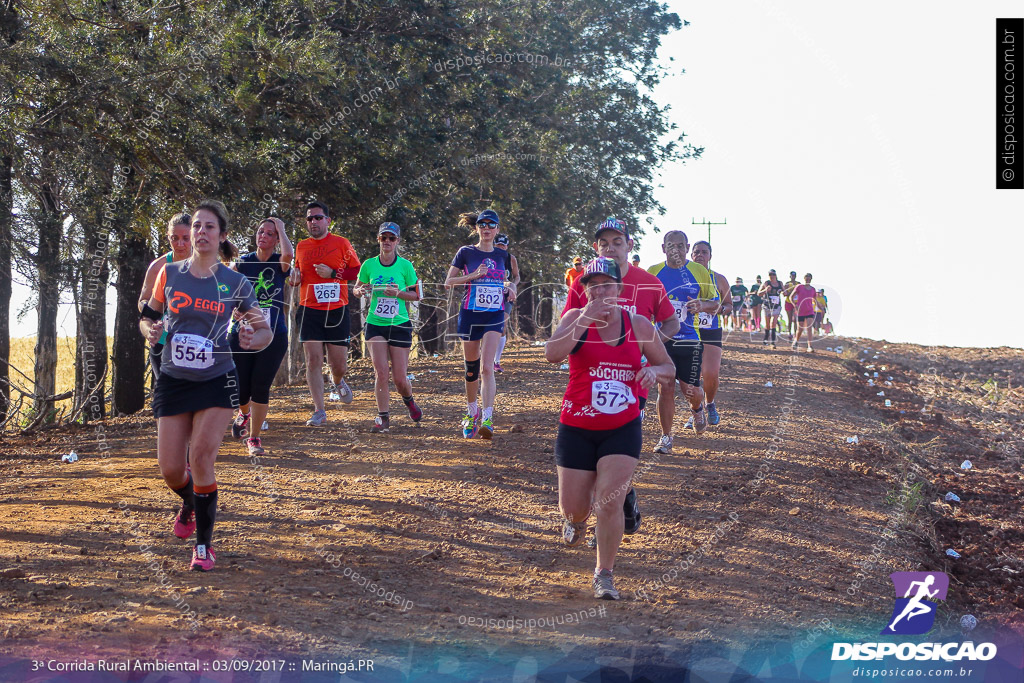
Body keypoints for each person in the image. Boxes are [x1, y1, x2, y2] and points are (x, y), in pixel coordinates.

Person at [139, 200, 272, 571]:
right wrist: (149, 330)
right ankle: (191, 502)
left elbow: (264, 330)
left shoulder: (235, 282)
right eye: (196, 226)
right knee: (170, 469)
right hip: (174, 378)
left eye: (209, 227)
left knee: (200, 457)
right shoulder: (170, 273)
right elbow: (147, 316)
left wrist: (251, 339)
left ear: (222, 235)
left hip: (217, 378)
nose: (200, 233)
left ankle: (203, 547)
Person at [546, 257, 675, 600]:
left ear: (620, 289)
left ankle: (604, 574)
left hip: (622, 426)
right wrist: (583, 320)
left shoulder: (639, 325)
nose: (600, 291)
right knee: (573, 509)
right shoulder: (575, 317)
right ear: (584, 290)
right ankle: (575, 520)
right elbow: (552, 354)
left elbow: (668, 366)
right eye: (592, 286)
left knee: (608, 502)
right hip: (576, 425)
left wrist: (653, 373)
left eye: (606, 285)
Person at [563, 217, 678, 535]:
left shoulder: (649, 283)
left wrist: (648, 349)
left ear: (630, 245)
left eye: (617, 242)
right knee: (589, 457)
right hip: (587, 379)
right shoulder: (584, 282)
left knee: (614, 445)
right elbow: (567, 326)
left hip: (631, 380)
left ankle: (611, 506)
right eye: (603, 243)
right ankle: (620, 496)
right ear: (595, 248)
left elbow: (671, 324)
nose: (610, 248)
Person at [445, 209, 516, 440]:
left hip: (494, 315)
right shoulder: (466, 252)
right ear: (477, 228)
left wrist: (511, 288)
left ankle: (487, 417)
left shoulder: (503, 255)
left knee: (487, 367)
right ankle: (471, 412)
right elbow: (449, 282)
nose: (486, 229)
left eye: (491, 225)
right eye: (482, 225)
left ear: (497, 229)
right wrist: (473, 276)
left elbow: (508, 280)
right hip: (470, 314)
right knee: (472, 370)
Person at [288, 201, 361, 426]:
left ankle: (337, 381)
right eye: (309, 218)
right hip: (309, 309)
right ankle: (320, 410)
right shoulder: (301, 247)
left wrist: (333, 273)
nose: (313, 222)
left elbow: (357, 271)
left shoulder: (341, 243)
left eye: (318, 217)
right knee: (313, 360)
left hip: (336, 309)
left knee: (339, 365)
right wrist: (295, 278)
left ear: (328, 220)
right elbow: (297, 273)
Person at [648, 230, 718, 454]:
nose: (675, 250)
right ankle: (666, 437)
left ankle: (698, 409)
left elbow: (715, 304)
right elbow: (644, 306)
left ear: (687, 248)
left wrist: (701, 305)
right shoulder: (653, 272)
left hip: (689, 339)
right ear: (663, 248)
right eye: (671, 246)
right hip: (661, 339)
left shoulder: (699, 271)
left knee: (691, 390)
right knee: (665, 387)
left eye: (680, 246)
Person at [228, 217, 293, 456]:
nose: (263, 236)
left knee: (261, 386)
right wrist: (233, 308)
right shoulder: (243, 263)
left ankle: (254, 438)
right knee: (241, 389)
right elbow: (225, 287)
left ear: (276, 240)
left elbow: (289, 256)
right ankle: (243, 413)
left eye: (269, 233)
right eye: (260, 231)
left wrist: (282, 228)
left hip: (274, 335)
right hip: (242, 333)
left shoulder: (280, 263)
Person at [354, 222, 423, 433]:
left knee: (400, 378)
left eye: (391, 238)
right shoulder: (368, 265)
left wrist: (399, 294)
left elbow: (416, 295)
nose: (387, 242)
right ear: (378, 240)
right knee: (381, 372)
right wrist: (360, 291)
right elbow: (357, 288)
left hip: (400, 324)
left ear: (397, 242)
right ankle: (383, 417)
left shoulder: (405, 266)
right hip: (376, 324)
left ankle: (409, 400)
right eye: (383, 238)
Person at [139, 214, 193, 379]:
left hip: (196, 342)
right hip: (164, 340)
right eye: (174, 238)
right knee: (166, 397)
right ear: (168, 238)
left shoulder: (208, 266)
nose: (180, 244)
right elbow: (143, 301)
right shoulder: (158, 267)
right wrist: (153, 318)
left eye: (186, 238)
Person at [689, 241, 730, 426]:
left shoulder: (718, 279)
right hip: (689, 331)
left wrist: (719, 309)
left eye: (704, 252)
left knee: (710, 373)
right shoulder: (685, 277)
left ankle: (710, 403)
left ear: (710, 256)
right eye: (696, 252)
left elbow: (729, 305)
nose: (700, 255)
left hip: (711, 330)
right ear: (691, 255)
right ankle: (695, 412)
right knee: (692, 376)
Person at [493, 233, 520, 374]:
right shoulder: (488, 257)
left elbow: (517, 276)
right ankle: (486, 358)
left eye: (503, 246)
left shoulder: (511, 259)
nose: (501, 248)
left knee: (502, 326)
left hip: (506, 296)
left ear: (507, 246)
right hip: (491, 295)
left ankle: (496, 361)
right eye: (498, 245)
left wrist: (512, 286)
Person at [788, 273, 818, 352]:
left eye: (809, 278)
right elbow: (791, 297)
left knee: (809, 328)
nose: (808, 280)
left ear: (811, 279)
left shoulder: (813, 289)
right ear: (804, 279)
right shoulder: (799, 287)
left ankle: (810, 346)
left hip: (809, 311)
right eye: (806, 278)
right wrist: (795, 305)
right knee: (800, 329)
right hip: (800, 311)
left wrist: (819, 307)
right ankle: (796, 341)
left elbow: (815, 300)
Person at [759, 270, 785, 348]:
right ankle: (766, 339)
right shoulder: (766, 283)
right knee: (767, 324)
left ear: (776, 275)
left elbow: (785, 292)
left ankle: (773, 342)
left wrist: (785, 292)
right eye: (770, 274)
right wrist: (765, 290)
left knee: (773, 323)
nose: (772, 276)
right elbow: (759, 293)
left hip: (776, 306)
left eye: (773, 274)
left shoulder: (780, 283)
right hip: (767, 305)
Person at [783, 270, 799, 340]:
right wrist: (791, 293)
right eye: (792, 276)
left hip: (796, 303)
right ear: (790, 276)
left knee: (795, 319)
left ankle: (795, 334)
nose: (793, 277)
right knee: (789, 319)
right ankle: (789, 333)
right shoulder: (787, 284)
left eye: (794, 276)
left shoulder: (798, 284)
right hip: (789, 302)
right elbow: (784, 293)